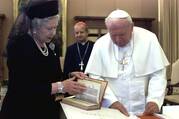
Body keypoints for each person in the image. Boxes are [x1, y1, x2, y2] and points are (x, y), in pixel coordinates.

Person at [0, 1, 86, 119]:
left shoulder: (51, 46)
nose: (54, 32)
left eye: (55, 27)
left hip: (46, 110)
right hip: (22, 111)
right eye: (49, 28)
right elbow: (23, 88)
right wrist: (61, 86)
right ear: (35, 26)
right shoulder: (19, 46)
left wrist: (70, 75)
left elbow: (52, 76)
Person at [85, 9, 169, 116]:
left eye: (122, 34)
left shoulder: (149, 39)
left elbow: (158, 73)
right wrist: (111, 101)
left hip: (143, 108)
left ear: (132, 27)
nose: (118, 39)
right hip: (112, 108)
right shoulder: (100, 44)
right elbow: (95, 77)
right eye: (113, 35)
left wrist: (154, 99)